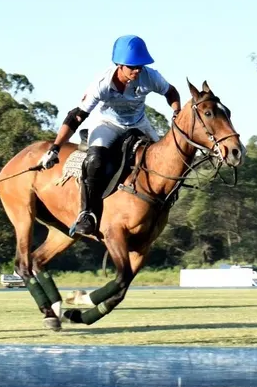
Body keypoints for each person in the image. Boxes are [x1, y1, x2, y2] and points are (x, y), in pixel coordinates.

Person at [36, 35, 182, 237]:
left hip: (139, 123)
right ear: (119, 65)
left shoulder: (150, 76)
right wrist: (56, 148)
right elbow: (76, 116)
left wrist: (176, 111)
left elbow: (171, 92)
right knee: (94, 160)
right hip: (108, 124)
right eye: (132, 66)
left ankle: (159, 210)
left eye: (140, 66)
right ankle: (87, 214)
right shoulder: (102, 83)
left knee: (165, 161)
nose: (137, 70)